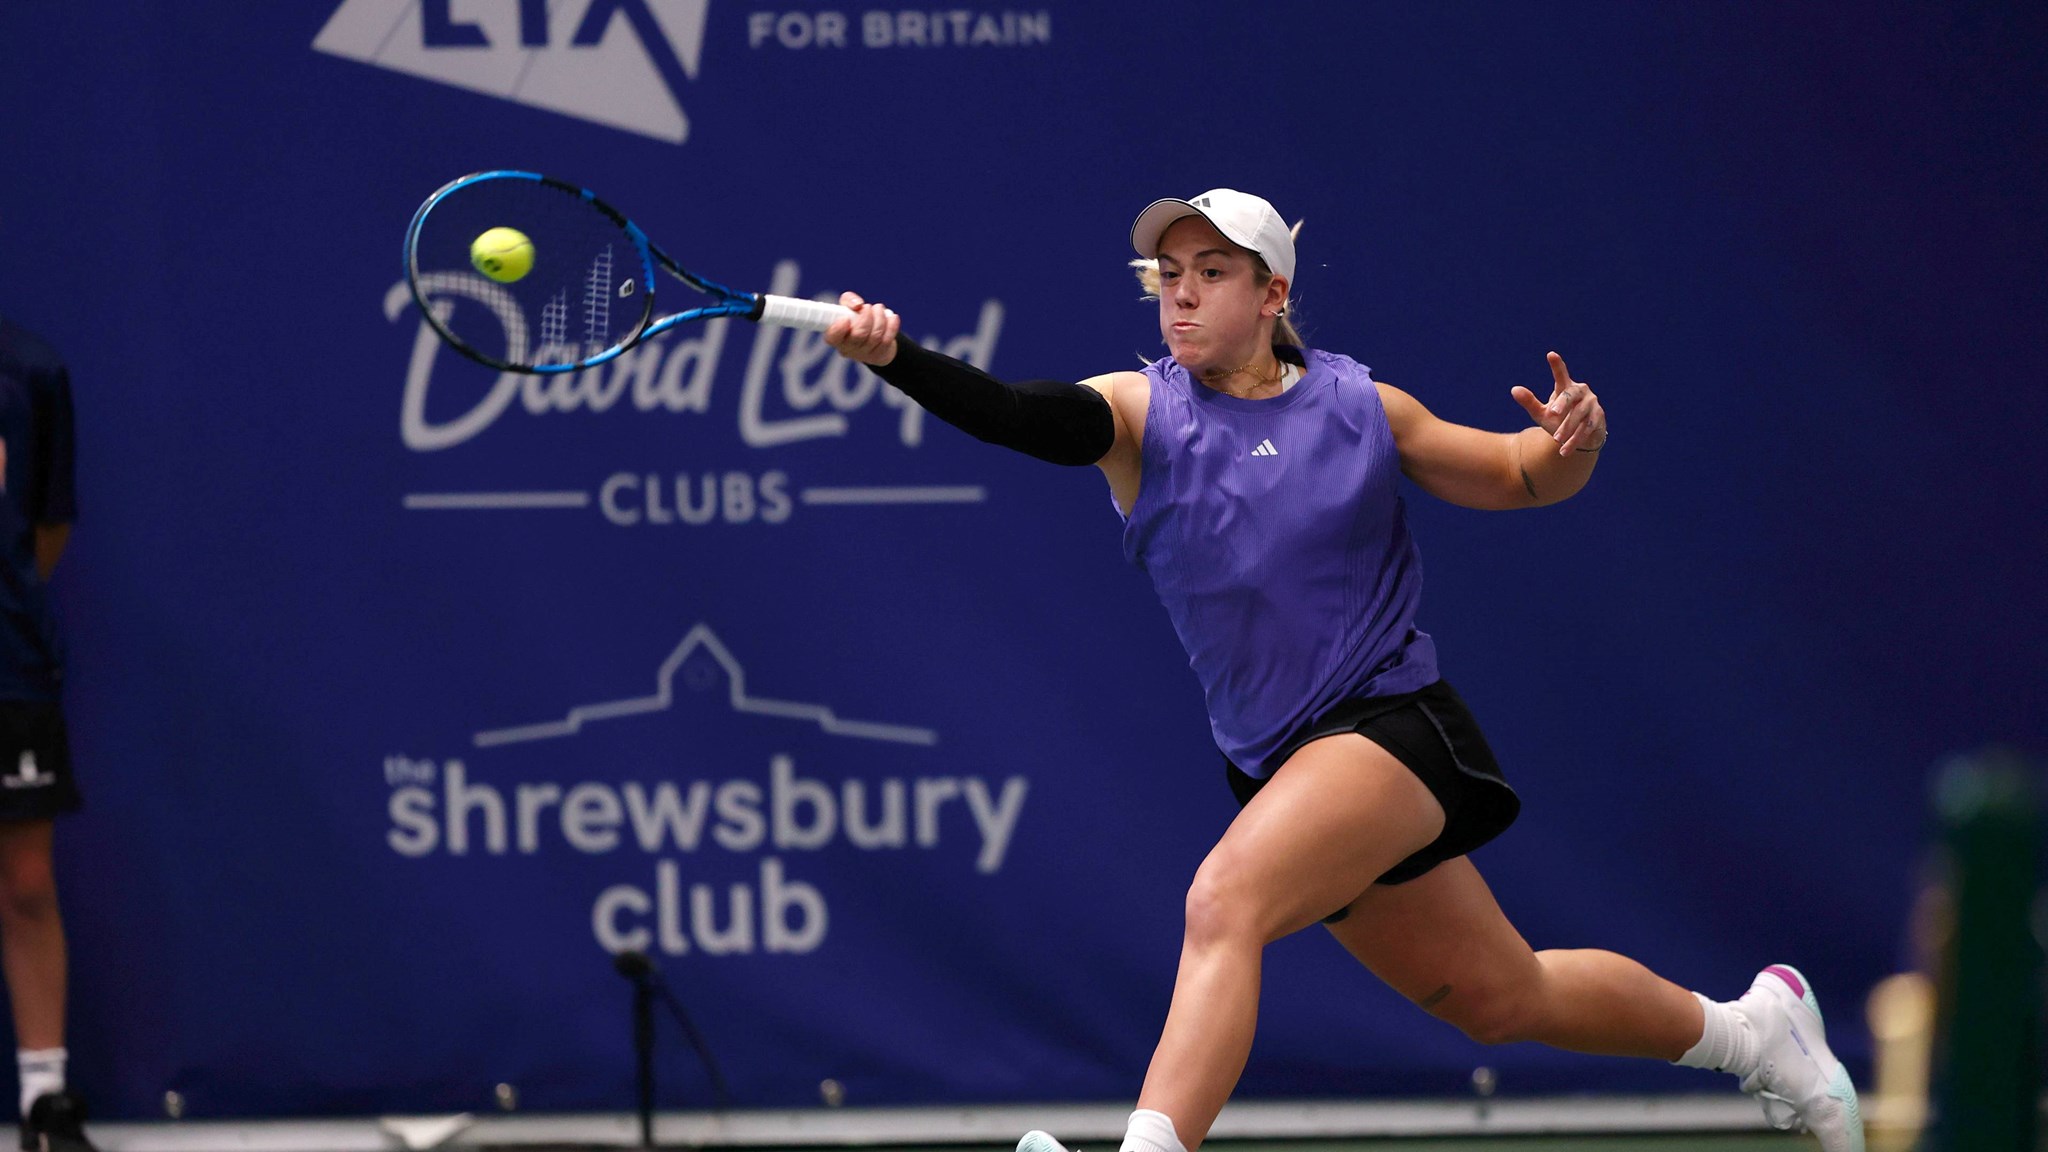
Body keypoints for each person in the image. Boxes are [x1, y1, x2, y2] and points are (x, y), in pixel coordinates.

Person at [822, 190, 1864, 1152]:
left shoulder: (1361, 406)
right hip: (1285, 765)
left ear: (1271, 294)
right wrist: (894, 356)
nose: (1178, 290)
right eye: (1165, 272)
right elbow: (1015, 413)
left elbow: (1515, 472)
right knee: (1501, 997)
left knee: (1222, 902)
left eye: (1210, 270)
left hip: (1391, 727)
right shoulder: (1141, 414)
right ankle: (1754, 1032)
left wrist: (1570, 445)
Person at [0, 314, 90, 1152]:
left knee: (26, 881)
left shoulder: (31, 368)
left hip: (8, 664)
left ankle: (43, 1099)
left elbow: (45, 531)